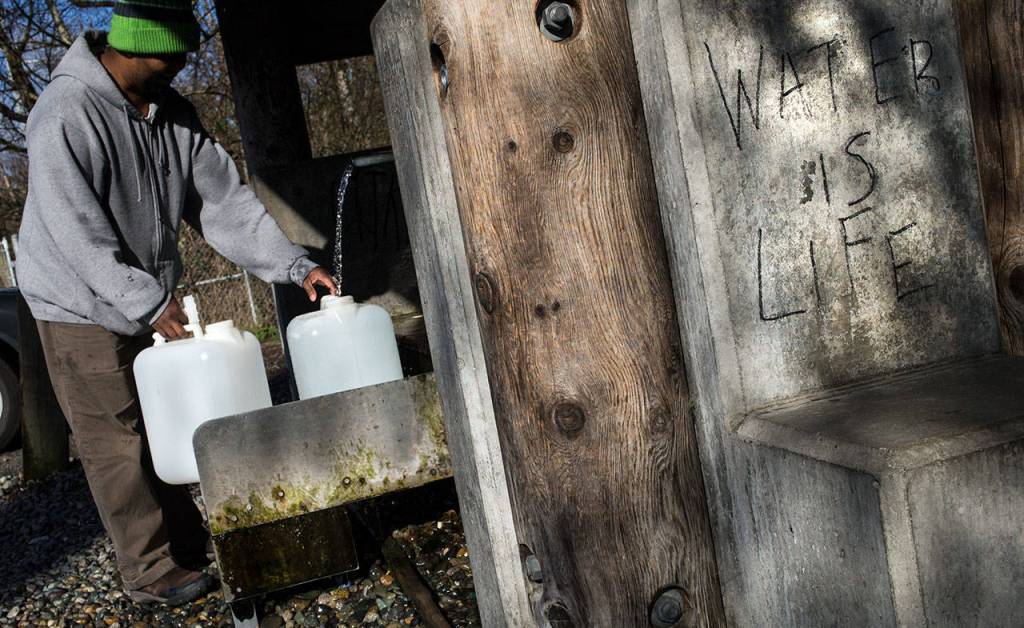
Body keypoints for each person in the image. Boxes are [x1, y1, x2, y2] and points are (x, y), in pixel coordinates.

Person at [16, 0, 336, 606]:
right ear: (135, 44)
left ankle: (184, 545)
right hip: (75, 300)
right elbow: (71, 226)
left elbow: (225, 205)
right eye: (173, 53)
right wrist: (142, 300)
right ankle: (147, 567)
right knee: (116, 436)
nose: (184, 64)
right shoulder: (65, 111)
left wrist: (295, 265)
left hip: (141, 291)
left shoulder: (172, 114)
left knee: (168, 420)